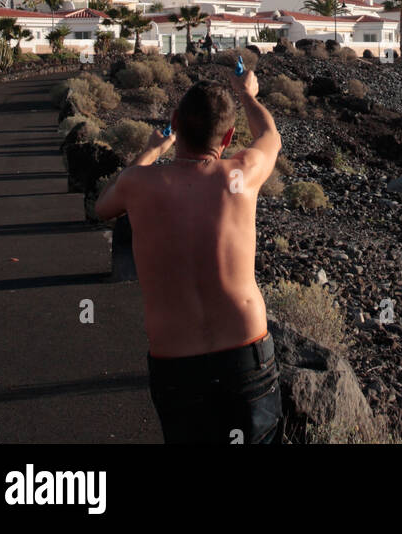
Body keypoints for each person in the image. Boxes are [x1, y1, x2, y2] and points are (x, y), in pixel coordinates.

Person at [95, 66, 284, 444]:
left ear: (175, 122)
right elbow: (270, 136)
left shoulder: (138, 184)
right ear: (229, 137)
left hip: (177, 364)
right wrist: (246, 94)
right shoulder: (240, 175)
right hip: (246, 355)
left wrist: (150, 150)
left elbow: (103, 207)